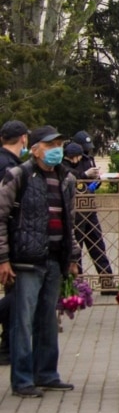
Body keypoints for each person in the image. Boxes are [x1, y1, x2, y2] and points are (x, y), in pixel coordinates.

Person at [0, 126, 81, 398]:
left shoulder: (65, 179)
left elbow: (70, 222)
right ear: (34, 149)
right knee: (22, 321)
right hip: (26, 260)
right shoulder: (18, 175)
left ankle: (46, 373)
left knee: (47, 318)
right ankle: (22, 380)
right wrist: (3, 259)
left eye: (59, 143)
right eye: (50, 145)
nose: (56, 149)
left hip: (54, 258)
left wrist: (72, 257)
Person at [0, 120, 28, 367]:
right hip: (10, 238)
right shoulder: (10, 168)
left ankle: (7, 345)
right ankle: (7, 345)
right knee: (15, 292)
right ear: (24, 139)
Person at [65, 133, 112, 280]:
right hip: (76, 210)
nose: (86, 152)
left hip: (89, 208)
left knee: (97, 244)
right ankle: (77, 283)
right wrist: (84, 175)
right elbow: (69, 176)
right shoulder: (65, 161)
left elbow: (94, 180)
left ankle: (107, 280)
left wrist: (96, 181)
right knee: (76, 248)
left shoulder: (89, 159)